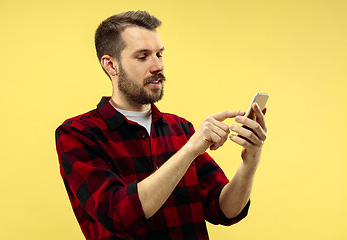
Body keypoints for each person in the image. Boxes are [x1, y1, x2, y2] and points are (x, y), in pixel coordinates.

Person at [55, 10, 267, 240]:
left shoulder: (181, 128)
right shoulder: (77, 134)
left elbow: (225, 210)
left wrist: (251, 159)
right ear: (111, 65)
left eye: (159, 54)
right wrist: (189, 151)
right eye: (143, 56)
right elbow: (119, 215)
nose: (158, 66)